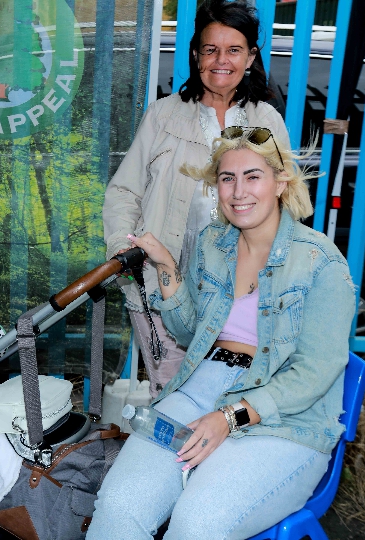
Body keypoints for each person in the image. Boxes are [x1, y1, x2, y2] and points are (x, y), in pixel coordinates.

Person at [87, 126, 356, 539]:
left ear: (281, 182)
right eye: (228, 178)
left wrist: (231, 417)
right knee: (119, 507)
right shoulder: (214, 242)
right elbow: (189, 333)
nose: (238, 191)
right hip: (199, 389)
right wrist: (166, 267)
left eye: (253, 176)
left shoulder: (321, 262)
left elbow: (315, 372)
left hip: (283, 416)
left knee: (198, 525)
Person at [103, 0, 287, 398]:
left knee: (228, 401)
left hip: (241, 296)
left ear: (250, 57)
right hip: (163, 287)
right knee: (173, 399)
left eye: (234, 50)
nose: (221, 60)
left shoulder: (267, 121)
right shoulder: (162, 116)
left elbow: (285, 200)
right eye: (211, 49)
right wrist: (121, 248)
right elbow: (124, 191)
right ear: (195, 55)